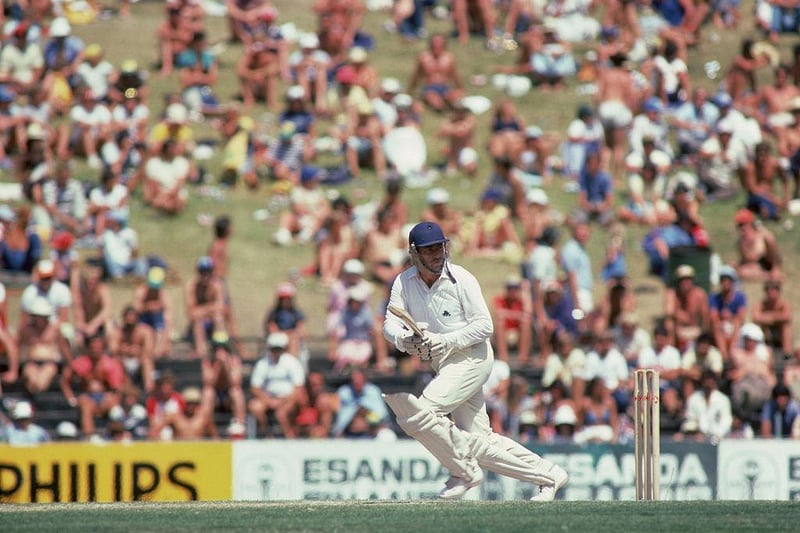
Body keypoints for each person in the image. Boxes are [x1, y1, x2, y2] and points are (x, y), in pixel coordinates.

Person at [382, 221, 568, 501]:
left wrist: (445, 340)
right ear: (414, 253)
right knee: (480, 440)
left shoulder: (461, 279)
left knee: (420, 414)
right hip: (444, 365)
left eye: (439, 248)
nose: (436, 254)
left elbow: (485, 326)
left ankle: (463, 472)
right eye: (428, 250)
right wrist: (404, 340)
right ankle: (548, 474)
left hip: (472, 358)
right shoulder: (404, 282)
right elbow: (390, 322)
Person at [248, 331, 306, 438]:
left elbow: (298, 388)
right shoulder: (262, 364)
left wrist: (282, 400)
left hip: (288, 398)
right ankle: (267, 435)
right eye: (273, 349)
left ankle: (290, 438)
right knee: (255, 407)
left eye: (279, 349)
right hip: (268, 399)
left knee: (281, 414)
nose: (276, 352)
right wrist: (268, 400)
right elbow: (255, 387)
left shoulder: (292, 363)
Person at [331, 368, 389, 437]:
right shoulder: (343, 392)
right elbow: (337, 411)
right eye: (354, 380)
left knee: (386, 435)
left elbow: (382, 415)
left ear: (365, 380)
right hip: (346, 430)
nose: (357, 382)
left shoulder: (373, 391)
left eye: (359, 379)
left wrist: (366, 421)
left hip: (371, 429)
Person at [752, 279, 793, 355]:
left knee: (786, 326)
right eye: (768, 290)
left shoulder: (783, 303)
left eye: (773, 290)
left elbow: (787, 316)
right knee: (758, 326)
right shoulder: (761, 303)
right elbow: (756, 317)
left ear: (778, 291)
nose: (771, 293)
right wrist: (774, 317)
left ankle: (787, 354)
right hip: (766, 331)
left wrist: (771, 316)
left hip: (779, 331)